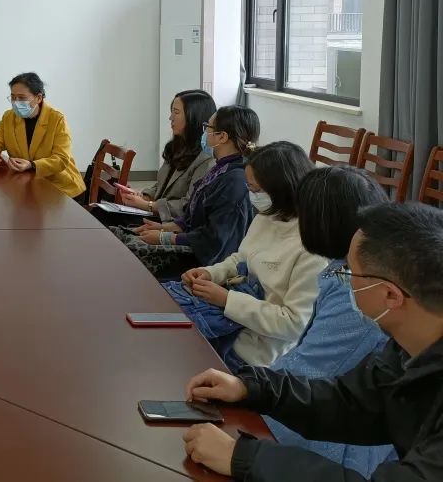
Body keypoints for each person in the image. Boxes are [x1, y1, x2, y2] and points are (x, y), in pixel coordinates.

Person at [182, 202, 443, 481]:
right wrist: (253, 388)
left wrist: (244, 458)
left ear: (390, 295)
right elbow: (351, 403)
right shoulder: (408, 348)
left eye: (349, 272)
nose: (344, 281)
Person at [260, 166, 395, 475]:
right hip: (331, 401)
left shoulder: (357, 292)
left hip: (339, 436)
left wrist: (249, 391)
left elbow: (311, 368)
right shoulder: (347, 269)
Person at [163, 142, 323, 371]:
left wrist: (227, 300)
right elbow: (241, 258)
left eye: (255, 189)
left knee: (167, 353)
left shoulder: (311, 249)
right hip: (224, 322)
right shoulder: (267, 216)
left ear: (280, 189)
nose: (251, 195)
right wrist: (210, 273)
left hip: (249, 354)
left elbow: (293, 324)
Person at [113, 106, 258, 279]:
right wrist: (163, 227)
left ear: (222, 137)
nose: (205, 132)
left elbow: (213, 239)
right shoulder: (221, 168)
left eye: (208, 127)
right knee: (117, 234)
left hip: (200, 260)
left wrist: (165, 238)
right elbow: (193, 217)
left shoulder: (234, 181)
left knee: (122, 253)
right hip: (188, 241)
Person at [0, 72, 85, 200]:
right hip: (26, 185)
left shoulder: (57, 119)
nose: (16, 102)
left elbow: (61, 159)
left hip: (60, 188)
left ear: (38, 98)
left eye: (21, 98)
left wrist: (32, 165)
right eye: (13, 97)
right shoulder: (9, 117)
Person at [119, 89, 216, 221]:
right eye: (172, 112)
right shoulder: (176, 147)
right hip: (156, 216)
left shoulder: (206, 159)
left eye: (176, 112)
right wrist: (143, 196)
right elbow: (161, 186)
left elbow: (188, 205)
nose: (171, 118)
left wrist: (148, 205)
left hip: (172, 224)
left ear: (193, 117)